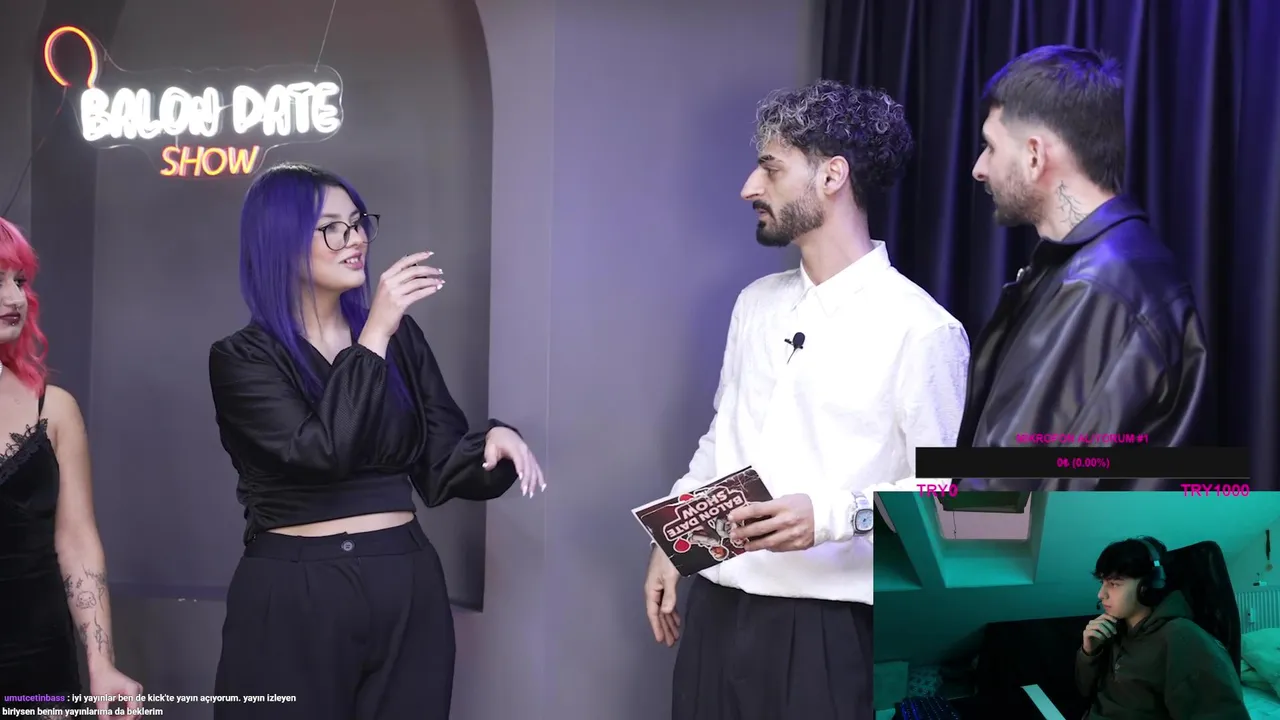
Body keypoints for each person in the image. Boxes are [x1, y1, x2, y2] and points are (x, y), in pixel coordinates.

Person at [642, 80, 970, 720]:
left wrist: (829, 517)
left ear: (832, 176)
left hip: (826, 630)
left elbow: (936, 501)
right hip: (716, 611)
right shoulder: (755, 304)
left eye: (770, 168)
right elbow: (723, 437)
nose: (749, 187)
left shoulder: (924, 330)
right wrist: (676, 542)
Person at [208, 163, 545, 720]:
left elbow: (440, 468)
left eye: (358, 222)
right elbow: (320, 452)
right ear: (280, 244)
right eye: (331, 228)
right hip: (296, 587)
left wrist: (495, 442)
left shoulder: (400, 337)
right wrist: (375, 334)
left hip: (404, 577)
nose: (356, 239)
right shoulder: (242, 357)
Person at [963, 45, 1208, 491]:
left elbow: (1006, 489)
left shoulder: (1098, 285)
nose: (980, 169)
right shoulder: (1106, 269)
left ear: (1034, 155)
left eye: (990, 147)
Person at [0, 219, 142, 713]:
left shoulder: (54, 408)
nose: (14, 297)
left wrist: (101, 664)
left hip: (37, 663)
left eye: (19, 280)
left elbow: (77, 540)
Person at [1078, 537, 1248, 719]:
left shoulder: (1183, 638)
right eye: (1102, 582)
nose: (1101, 594)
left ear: (1147, 586)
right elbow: (1085, 691)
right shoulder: (1114, 627)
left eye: (1114, 584)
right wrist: (1089, 653)